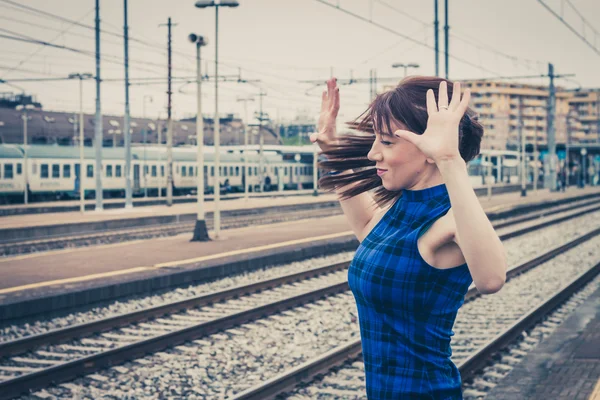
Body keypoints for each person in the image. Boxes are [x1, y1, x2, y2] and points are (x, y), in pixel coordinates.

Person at [310, 76, 507, 399]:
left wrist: (449, 160)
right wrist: (331, 145)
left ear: (429, 149)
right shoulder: (396, 213)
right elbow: (365, 228)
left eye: (387, 142)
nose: (374, 153)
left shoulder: (450, 219)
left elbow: (492, 279)